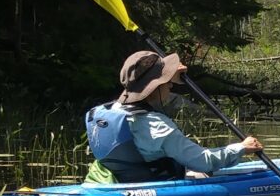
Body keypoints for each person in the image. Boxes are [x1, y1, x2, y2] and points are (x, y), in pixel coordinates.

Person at [85, 50, 264, 183]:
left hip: (113, 185)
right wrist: (241, 148)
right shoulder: (157, 126)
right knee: (204, 173)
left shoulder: (109, 111)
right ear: (154, 88)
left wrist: (171, 75)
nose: (170, 86)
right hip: (155, 189)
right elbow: (203, 161)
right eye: (166, 82)